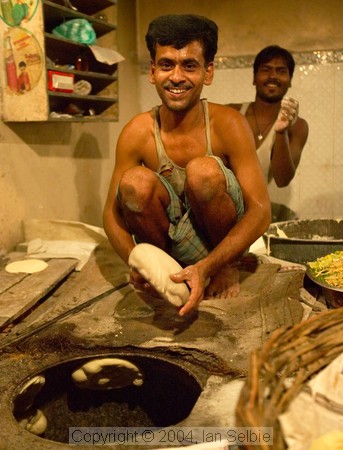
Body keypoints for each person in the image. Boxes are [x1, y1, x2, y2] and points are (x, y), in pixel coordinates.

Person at [103, 14, 271, 316]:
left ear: (208, 73)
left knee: (204, 171)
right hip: (171, 245)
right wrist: (140, 263)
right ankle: (172, 275)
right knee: (134, 183)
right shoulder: (137, 132)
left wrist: (211, 266)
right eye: (166, 64)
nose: (176, 77)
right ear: (153, 72)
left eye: (189, 66)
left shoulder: (229, 124)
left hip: (221, 248)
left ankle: (222, 269)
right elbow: (111, 215)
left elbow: (260, 211)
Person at [229, 45, 309, 188]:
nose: (273, 76)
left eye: (281, 71)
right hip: (220, 204)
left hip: (257, 207)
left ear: (290, 81)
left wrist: (281, 131)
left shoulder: (298, 126)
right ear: (254, 78)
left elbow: (282, 180)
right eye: (266, 70)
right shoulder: (231, 113)